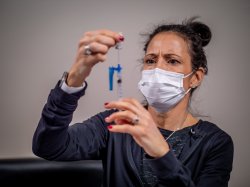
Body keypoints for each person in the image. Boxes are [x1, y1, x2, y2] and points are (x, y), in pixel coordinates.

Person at [32, 17, 234, 187]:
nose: (157, 69)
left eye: (172, 61)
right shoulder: (116, 123)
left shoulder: (215, 143)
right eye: (150, 60)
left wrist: (161, 153)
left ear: (196, 77)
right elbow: (48, 147)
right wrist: (74, 78)